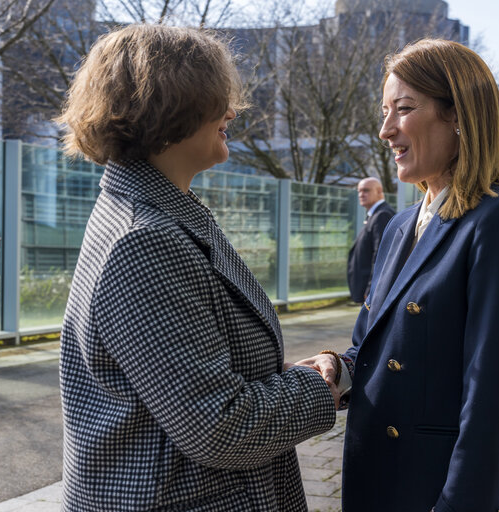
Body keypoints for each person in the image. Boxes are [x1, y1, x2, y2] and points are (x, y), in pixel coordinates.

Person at [56, 25, 338, 511]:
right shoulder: (145, 240)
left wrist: (281, 378)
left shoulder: (159, 214)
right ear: (169, 104)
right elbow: (220, 427)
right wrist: (319, 388)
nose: (231, 111)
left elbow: (191, 382)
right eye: (217, 98)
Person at [298, 39, 499, 511]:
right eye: (384, 111)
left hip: (440, 490)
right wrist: (340, 368)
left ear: (459, 115)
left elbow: (496, 400)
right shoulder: (396, 226)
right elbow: (373, 347)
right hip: (379, 479)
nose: (385, 130)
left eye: (404, 109)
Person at [347, 177, 395, 303]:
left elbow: (381, 255)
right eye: (359, 191)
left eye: (366, 190)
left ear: (379, 191)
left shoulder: (382, 215)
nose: (361, 194)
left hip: (371, 294)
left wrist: (371, 290)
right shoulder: (374, 215)